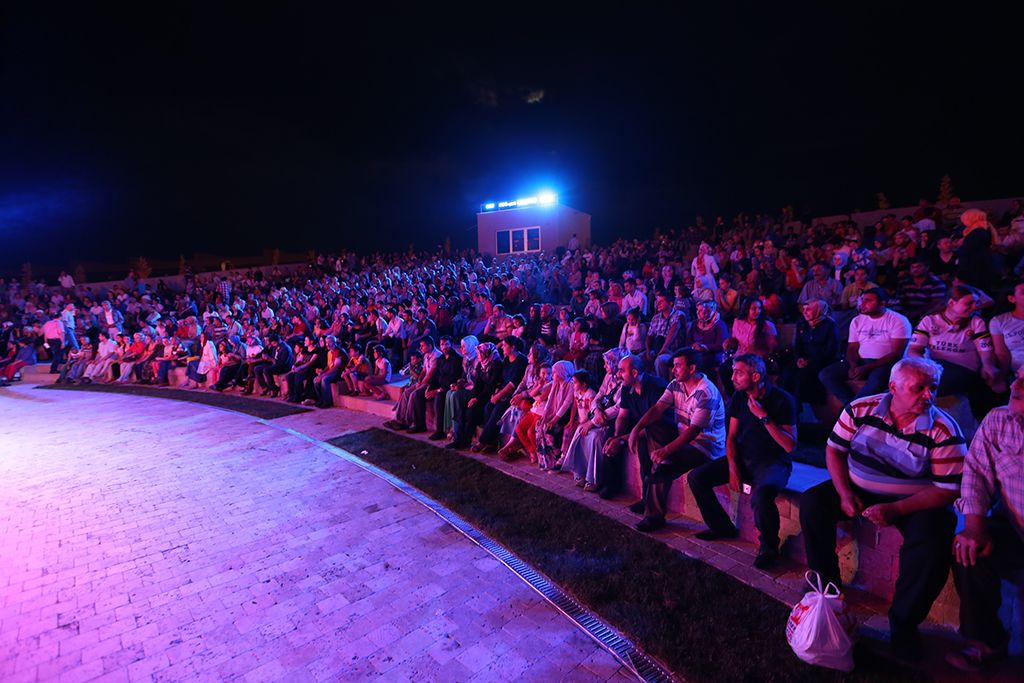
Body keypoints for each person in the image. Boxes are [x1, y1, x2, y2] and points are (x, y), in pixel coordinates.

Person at [800, 358, 966, 662]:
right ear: (893, 388)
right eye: (919, 389)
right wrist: (844, 492)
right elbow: (834, 450)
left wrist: (896, 510)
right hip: (859, 487)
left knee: (932, 543)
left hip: (915, 500)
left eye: (933, 389)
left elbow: (947, 490)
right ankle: (828, 588)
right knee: (813, 504)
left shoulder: (943, 430)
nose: (928, 396)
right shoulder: (860, 409)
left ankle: (904, 625)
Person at [947, 367, 1024, 672]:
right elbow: (976, 471)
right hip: (1016, 530)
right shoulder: (999, 419)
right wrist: (974, 525)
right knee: (968, 548)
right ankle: (988, 642)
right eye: (1018, 376)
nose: (1016, 384)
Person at [688, 353, 797, 569]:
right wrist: (732, 466)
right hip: (745, 457)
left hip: (773, 463)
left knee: (762, 495)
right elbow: (731, 436)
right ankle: (721, 527)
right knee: (697, 476)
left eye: (738, 373)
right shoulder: (739, 398)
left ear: (755, 376)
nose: (732, 377)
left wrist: (764, 417)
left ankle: (769, 550)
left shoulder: (783, 400)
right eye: (733, 372)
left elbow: (790, 445)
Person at [629, 348, 726, 533]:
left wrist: (666, 451)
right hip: (683, 437)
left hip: (705, 447)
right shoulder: (675, 385)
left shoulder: (706, 393)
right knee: (653, 427)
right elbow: (657, 409)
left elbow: (694, 432)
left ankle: (654, 517)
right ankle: (665, 464)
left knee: (660, 464)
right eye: (673, 366)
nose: (673, 370)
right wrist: (636, 428)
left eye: (677, 366)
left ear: (692, 368)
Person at [907, 284, 1004, 421]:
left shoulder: (976, 322)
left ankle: (923, 422)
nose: (974, 307)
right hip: (934, 365)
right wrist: (923, 363)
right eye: (969, 303)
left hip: (963, 368)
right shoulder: (930, 320)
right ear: (952, 302)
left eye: (976, 303)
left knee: (929, 386)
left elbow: (986, 352)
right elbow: (913, 349)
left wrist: (987, 364)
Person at [602, 354, 670, 514]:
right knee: (610, 433)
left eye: (621, 371)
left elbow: (654, 423)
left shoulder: (656, 387)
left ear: (633, 373)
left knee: (645, 449)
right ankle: (611, 484)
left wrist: (622, 441)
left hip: (659, 429)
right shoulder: (627, 387)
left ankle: (647, 499)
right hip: (639, 425)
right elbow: (623, 415)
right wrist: (617, 436)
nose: (618, 375)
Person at [818, 289, 912, 404]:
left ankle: (851, 408)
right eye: (862, 300)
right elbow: (852, 347)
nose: (862, 305)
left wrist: (867, 368)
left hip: (886, 364)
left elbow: (896, 354)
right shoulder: (857, 320)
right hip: (861, 362)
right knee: (826, 374)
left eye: (868, 301)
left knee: (877, 380)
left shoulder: (898, 320)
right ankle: (850, 404)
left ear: (882, 304)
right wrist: (853, 365)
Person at [779, 299, 838, 412]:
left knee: (800, 377)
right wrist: (799, 358)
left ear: (818, 310)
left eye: (808, 310)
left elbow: (831, 351)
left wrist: (810, 361)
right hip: (804, 359)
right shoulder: (802, 324)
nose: (805, 313)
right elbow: (798, 346)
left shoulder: (830, 325)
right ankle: (782, 406)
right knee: (787, 372)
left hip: (822, 360)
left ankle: (796, 409)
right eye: (804, 310)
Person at [719, 298, 777, 397]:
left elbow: (774, 346)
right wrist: (729, 342)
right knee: (724, 369)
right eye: (754, 309)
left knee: (745, 372)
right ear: (747, 310)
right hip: (740, 356)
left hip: (756, 358)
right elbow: (735, 339)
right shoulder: (738, 322)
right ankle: (734, 397)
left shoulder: (767, 325)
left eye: (759, 308)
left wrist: (762, 344)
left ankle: (748, 398)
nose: (758, 311)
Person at [645, 291, 685, 380]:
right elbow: (649, 336)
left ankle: (663, 386)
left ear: (670, 303)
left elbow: (675, 327)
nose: (657, 304)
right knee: (639, 358)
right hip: (656, 349)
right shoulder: (655, 318)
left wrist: (664, 348)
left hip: (672, 351)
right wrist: (648, 350)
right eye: (657, 301)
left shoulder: (679, 314)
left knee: (660, 360)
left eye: (661, 302)